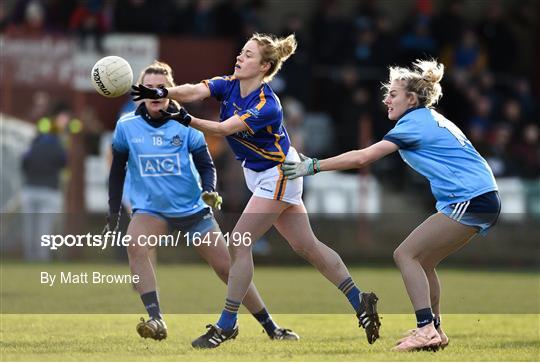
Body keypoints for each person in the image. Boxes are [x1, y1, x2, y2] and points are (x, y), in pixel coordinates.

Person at [131, 34, 381, 349]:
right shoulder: (229, 84)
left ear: (264, 66)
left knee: (238, 241)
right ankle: (360, 300)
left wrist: (182, 117)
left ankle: (227, 324)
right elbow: (194, 90)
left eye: (247, 55)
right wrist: (163, 91)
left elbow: (223, 129)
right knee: (307, 246)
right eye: (241, 52)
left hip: (279, 173)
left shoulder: (267, 105)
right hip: (265, 175)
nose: (239, 57)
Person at [282, 59, 501, 352]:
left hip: (472, 198)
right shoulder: (427, 118)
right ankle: (434, 329)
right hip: (478, 197)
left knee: (405, 254)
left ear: (411, 99)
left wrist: (314, 166)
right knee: (424, 261)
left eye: (393, 94)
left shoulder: (414, 123)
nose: (386, 99)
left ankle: (426, 330)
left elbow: (363, 158)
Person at [107, 61, 299, 342]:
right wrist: (115, 208)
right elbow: (117, 169)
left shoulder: (185, 124)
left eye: (162, 88)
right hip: (151, 209)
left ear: (171, 92)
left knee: (226, 268)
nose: (155, 93)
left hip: (191, 208)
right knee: (135, 243)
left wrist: (209, 190)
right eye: (149, 87)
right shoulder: (126, 126)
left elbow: (206, 165)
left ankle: (271, 327)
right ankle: (155, 319)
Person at [21, 105, 68, 261]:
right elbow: (64, 163)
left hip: (30, 189)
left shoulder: (33, 145)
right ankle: (41, 259)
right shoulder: (57, 145)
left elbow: (24, 163)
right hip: (49, 190)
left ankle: (30, 257)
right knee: (44, 228)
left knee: (29, 227)